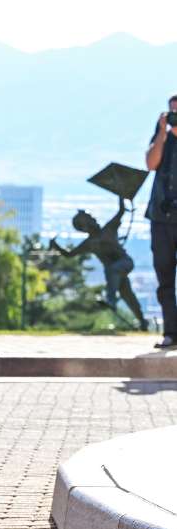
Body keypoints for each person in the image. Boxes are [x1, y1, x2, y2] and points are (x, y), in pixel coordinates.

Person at [49, 200, 147, 329]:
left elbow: (121, 211)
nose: (94, 219)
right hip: (115, 273)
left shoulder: (109, 229)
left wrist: (121, 192)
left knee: (112, 270)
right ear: (84, 227)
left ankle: (111, 301)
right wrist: (56, 246)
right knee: (127, 295)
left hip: (124, 263)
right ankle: (142, 322)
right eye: (89, 219)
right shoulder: (89, 243)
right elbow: (70, 254)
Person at [145, 95, 177, 349]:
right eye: (172, 112)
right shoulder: (162, 137)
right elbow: (150, 163)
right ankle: (171, 332)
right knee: (164, 276)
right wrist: (162, 135)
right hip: (161, 217)